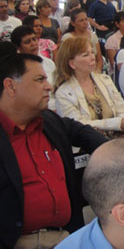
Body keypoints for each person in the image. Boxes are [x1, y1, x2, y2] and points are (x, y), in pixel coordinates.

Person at [0, 53, 106, 249]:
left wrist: (116, 152)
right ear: (10, 86)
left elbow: (83, 132)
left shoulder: (49, 122)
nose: (48, 86)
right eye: (40, 79)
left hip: (65, 237)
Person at [54, 37, 124, 137]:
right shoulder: (63, 93)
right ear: (72, 64)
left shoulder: (105, 79)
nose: (93, 57)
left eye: (92, 52)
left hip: (118, 139)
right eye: (86, 55)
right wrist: (117, 124)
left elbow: (122, 110)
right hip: (87, 145)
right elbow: (78, 125)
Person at [11, 25, 57, 110]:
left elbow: (56, 88)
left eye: (34, 39)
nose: (33, 44)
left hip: (56, 104)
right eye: (27, 42)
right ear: (18, 48)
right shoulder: (16, 69)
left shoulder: (49, 63)